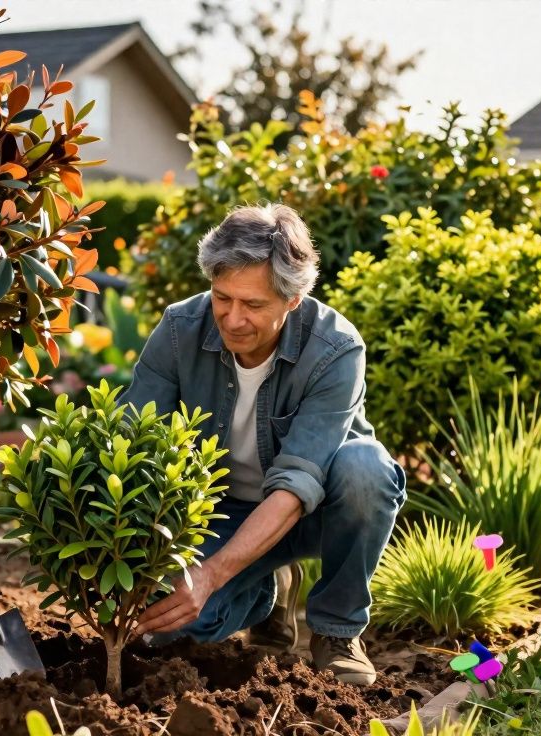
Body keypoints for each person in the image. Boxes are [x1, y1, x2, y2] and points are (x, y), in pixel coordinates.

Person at [122, 203, 405, 685]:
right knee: (171, 624)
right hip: (220, 512)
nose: (232, 319)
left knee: (366, 470)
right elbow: (133, 442)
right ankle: (266, 591)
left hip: (317, 511)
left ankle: (337, 630)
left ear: (292, 300)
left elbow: (297, 484)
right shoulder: (178, 330)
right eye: (222, 297)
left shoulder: (336, 348)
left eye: (253, 305)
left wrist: (211, 575)